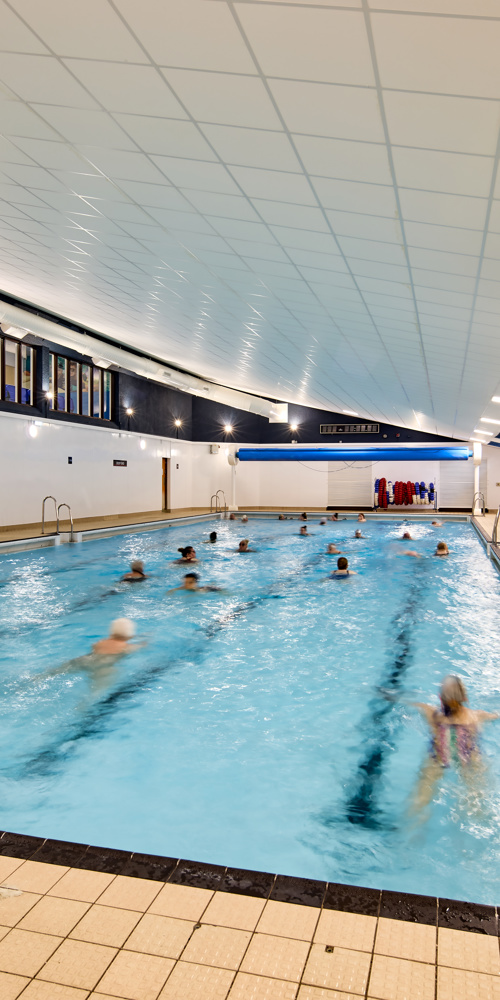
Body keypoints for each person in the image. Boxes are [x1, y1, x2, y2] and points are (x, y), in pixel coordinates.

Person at [409, 676, 499, 818]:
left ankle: (412, 823)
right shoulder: (477, 716)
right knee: (477, 802)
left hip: (439, 757)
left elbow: (413, 704)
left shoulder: (432, 714)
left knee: (419, 801)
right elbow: (496, 715)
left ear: (440, 698)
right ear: (465, 698)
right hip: (468, 758)